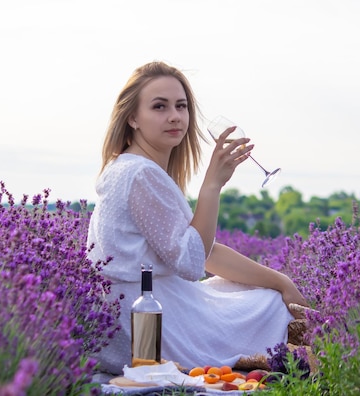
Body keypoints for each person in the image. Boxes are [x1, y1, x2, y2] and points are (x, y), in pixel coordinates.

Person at [87, 61, 308, 375]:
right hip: (145, 324)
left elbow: (206, 252)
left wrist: (281, 281)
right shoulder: (141, 174)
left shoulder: (129, 167)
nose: (175, 116)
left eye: (181, 106)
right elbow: (192, 263)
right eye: (159, 107)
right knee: (270, 306)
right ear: (132, 117)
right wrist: (212, 185)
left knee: (258, 292)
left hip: (124, 315)